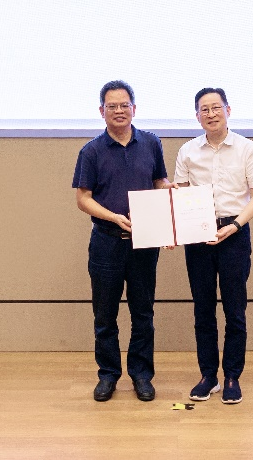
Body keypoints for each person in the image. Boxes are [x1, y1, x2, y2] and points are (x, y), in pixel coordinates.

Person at [72, 80, 171, 402]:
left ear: (134, 108)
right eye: (112, 106)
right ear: (101, 111)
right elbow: (83, 199)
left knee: (143, 313)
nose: (119, 111)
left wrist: (171, 194)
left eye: (124, 105)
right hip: (106, 241)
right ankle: (108, 375)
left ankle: (141, 375)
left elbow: (159, 181)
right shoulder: (91, 151)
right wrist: (114, 217)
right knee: (105, 315)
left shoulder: (151, 143)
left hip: (145, 241)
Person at [173, 87, 253, 404]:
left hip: (235, 233)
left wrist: (235, 225)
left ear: (228, 110)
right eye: (204, 109)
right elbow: (180, 196)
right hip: (198, 234)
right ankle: (208, 376)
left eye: (216, 107)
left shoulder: (248, 148)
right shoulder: (188, 151)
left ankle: (232, 377)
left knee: (234, 309)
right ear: (197, 116)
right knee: (203, 309)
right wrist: (173, 229)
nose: (211, 114)